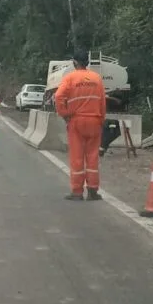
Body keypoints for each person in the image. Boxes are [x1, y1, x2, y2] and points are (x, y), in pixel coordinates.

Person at [54, 49, 107, 201]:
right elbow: (102, 101)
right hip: (95, 121)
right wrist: (101, 120)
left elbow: (58, 96)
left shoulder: (70, 78)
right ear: (88, 62)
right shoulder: (97, 78)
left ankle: (77, 191)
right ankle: (92, 191)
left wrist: (64, 114)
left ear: (74, 62)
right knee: (92, 157)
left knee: (77, 157)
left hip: (76, 121)